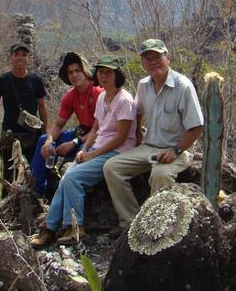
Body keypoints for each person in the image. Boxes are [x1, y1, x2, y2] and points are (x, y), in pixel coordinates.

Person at [30, 55, 137, 246]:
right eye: (101, 72)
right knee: (66, 177)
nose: (104, 77)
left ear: (117, 75)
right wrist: (85, 148)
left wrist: (93, 153)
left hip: (117, 151)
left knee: (72, 178)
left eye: (109, 73)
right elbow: (96, 128)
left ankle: (75, 227)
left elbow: (121, 137)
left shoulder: (124, 100)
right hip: (96, 147)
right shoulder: (104, 96)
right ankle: (50, 228)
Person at [103, 38, 204, 238]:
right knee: (111, 167)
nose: (153, 62)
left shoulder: (183, 86)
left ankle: (154, 229)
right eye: (148, 58)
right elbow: (138, 110)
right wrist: (138, 134)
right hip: (149, 146)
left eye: (157, 57)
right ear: (143, 63)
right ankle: (130, 222)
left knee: (160, 175)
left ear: (168, 58)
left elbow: (197, 126)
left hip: (177, 149)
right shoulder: (144, 85)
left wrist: (175, 150)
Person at [28, 52, 103, 198]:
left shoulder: (98, 93)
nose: (74, 75)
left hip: (98, 136)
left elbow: (103, 128)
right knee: (44, 140)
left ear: (86, 72)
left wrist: (74, 142)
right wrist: (49, 141)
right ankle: (36, 188)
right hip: (82, 131)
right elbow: (58, 125)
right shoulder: (71, 95)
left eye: (77, 71)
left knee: (82, 152)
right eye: (70, 72)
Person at [0, 42, 49, 197]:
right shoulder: (2, 80)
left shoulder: (36, 80)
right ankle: (7, 207)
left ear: (28, 57)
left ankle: (38, 203)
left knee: (37, 171)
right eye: (17, 54)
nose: (20, 58)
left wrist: (47, 134)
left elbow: (42, 107)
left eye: (24, 54)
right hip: (9, 133)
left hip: (32, 134)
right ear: (11, 57)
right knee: (8, 174)